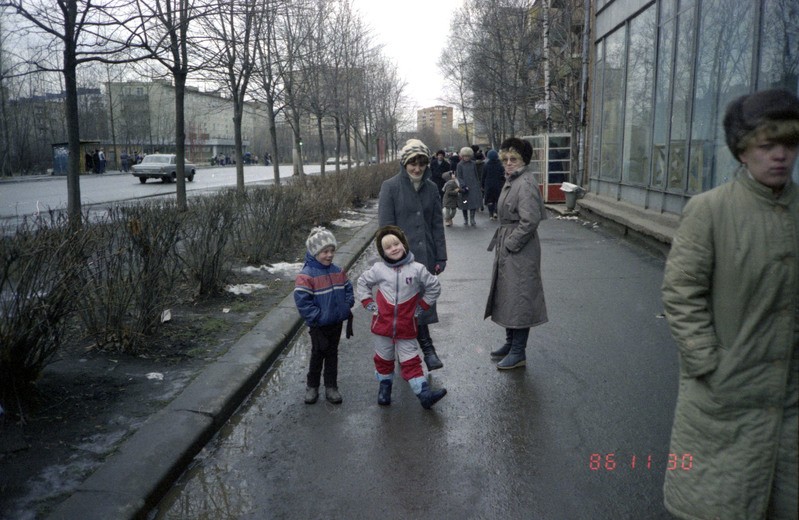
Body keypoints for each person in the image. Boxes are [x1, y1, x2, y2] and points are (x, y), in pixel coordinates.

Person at [660, 88, 799, 520]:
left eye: (790, 145)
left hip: (791, 398)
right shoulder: (709, 210)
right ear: (742, 150)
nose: (780, 156)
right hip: (726, 399)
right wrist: (710, 363)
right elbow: (681, 292)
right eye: (767, 145)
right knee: (722, 503)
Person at [357, 225, 446, 409]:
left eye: (396, 244)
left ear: (403, 244)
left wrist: (422, 306)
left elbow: (434, 287)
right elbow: (363, 282)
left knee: (411, 360)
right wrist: (368, 302)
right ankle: (384, 387)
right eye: (388, 247)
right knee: (383, 359)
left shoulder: (417, 269)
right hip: (383, 326)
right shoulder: (379, 269)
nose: (394, 249)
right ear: (383, 251)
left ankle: (424, 394)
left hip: (407, 326)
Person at [377, 138, 448, 371]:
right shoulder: (391, 187)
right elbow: (386, 228)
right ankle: (426, 349)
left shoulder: (432, 188)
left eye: (422, 163)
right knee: (404, 306)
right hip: (400, 258)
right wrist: (391, 257)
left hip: (425, 256)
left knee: (421, 303)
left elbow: (437, 224)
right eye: (412, 163)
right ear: (404, 163)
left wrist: (441, 257)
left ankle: (421, 350)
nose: (417, 168)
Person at [484, 137, 548, 370]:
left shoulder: (525, 182)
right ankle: (511, 344)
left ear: (523, 161)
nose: (508, 163)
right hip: (509, 244)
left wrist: (511, 243)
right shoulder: (513, 180)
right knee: (508, 294)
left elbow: (530, 220)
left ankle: (518, 351)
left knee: (520, 296)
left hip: (520, 248)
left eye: (514, 159)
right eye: (506, 159)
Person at [293, 227, 355, 405]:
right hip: (319, 324)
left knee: (332, 354)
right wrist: (316, 317)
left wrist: (346, 305)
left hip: (335, 321)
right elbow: (303, 301)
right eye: (324, 252)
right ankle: (312, 386)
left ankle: (331, 386)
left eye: (332, 251)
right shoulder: (306, 275)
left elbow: (348, 288)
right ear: (314, 253)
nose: (329, 255)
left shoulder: (337, 271)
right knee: (317, 354)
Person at [456, 146, 483, 226]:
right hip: (464, 187)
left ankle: (472, 218)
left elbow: (476, 174)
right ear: (462, 156)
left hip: (473, 186)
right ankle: (465, 219)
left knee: (473, 203)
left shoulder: (473, 164)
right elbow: (459, 176)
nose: (466, 158)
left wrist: (478, 184)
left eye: (468, 156)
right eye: (465, 156)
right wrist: (463, 185)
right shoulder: (459, 165)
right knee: (465, 203)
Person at [482, 149, 504, 220]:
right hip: (498, 184)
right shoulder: (500, 165)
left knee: (490, 200)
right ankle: (496, 212)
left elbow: (483, 176)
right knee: (497, 200)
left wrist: (482, 185)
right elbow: (503, 175)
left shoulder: (486, 165)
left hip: (489, 185)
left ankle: (490, 214)